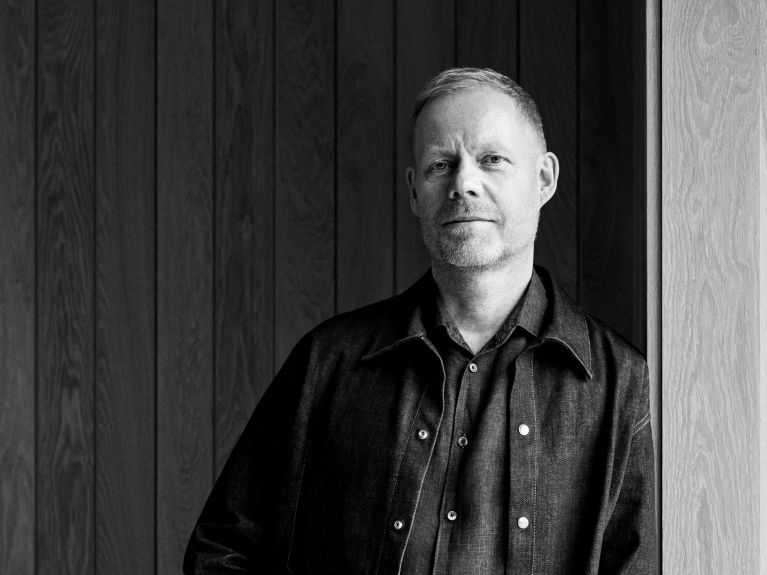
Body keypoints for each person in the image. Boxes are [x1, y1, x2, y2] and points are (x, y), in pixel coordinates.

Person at [184, 67, 656, 574]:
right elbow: (222, 552)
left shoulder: (617, 384)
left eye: (492, 159)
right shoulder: (328, 363)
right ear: (414, 191)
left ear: (544, 179)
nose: (463, 183)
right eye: (440, 165)